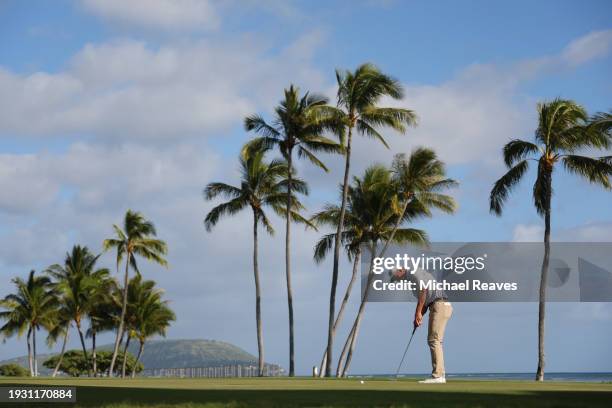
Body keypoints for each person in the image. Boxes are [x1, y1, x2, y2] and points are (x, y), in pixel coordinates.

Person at [393, 267, 453, 383]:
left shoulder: (413, 273)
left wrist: (417, 313)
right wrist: (418, 317)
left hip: (439, 305)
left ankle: (438, 376)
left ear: (400, 271)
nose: (397, 281)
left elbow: (423, 291)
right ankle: (441, 373)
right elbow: (424, 302)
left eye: (395, 277)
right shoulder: (412, 279)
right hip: (439, 305)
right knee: (436, 341)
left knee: (433, 340)